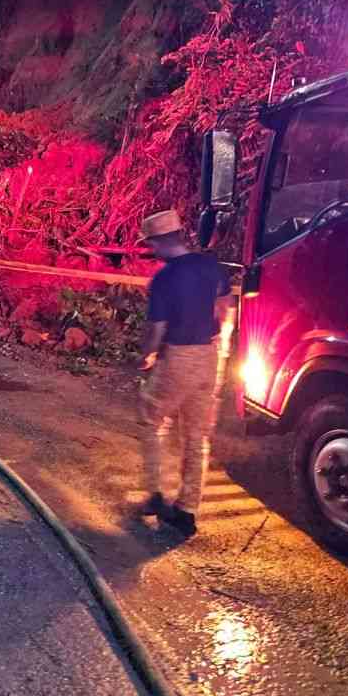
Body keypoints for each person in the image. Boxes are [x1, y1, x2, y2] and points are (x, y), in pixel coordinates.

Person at [136, 209, 235, 537]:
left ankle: (154, 494)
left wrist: (146, 354)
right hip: (209, 356)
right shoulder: (211, 266)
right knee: (196, 436)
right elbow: (226, 304)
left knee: (151, 419)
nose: (152, 250)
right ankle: (187, 510)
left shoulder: (164, 278)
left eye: (151, 244)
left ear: (159, 242)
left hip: (179, 356)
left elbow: (157, 328)